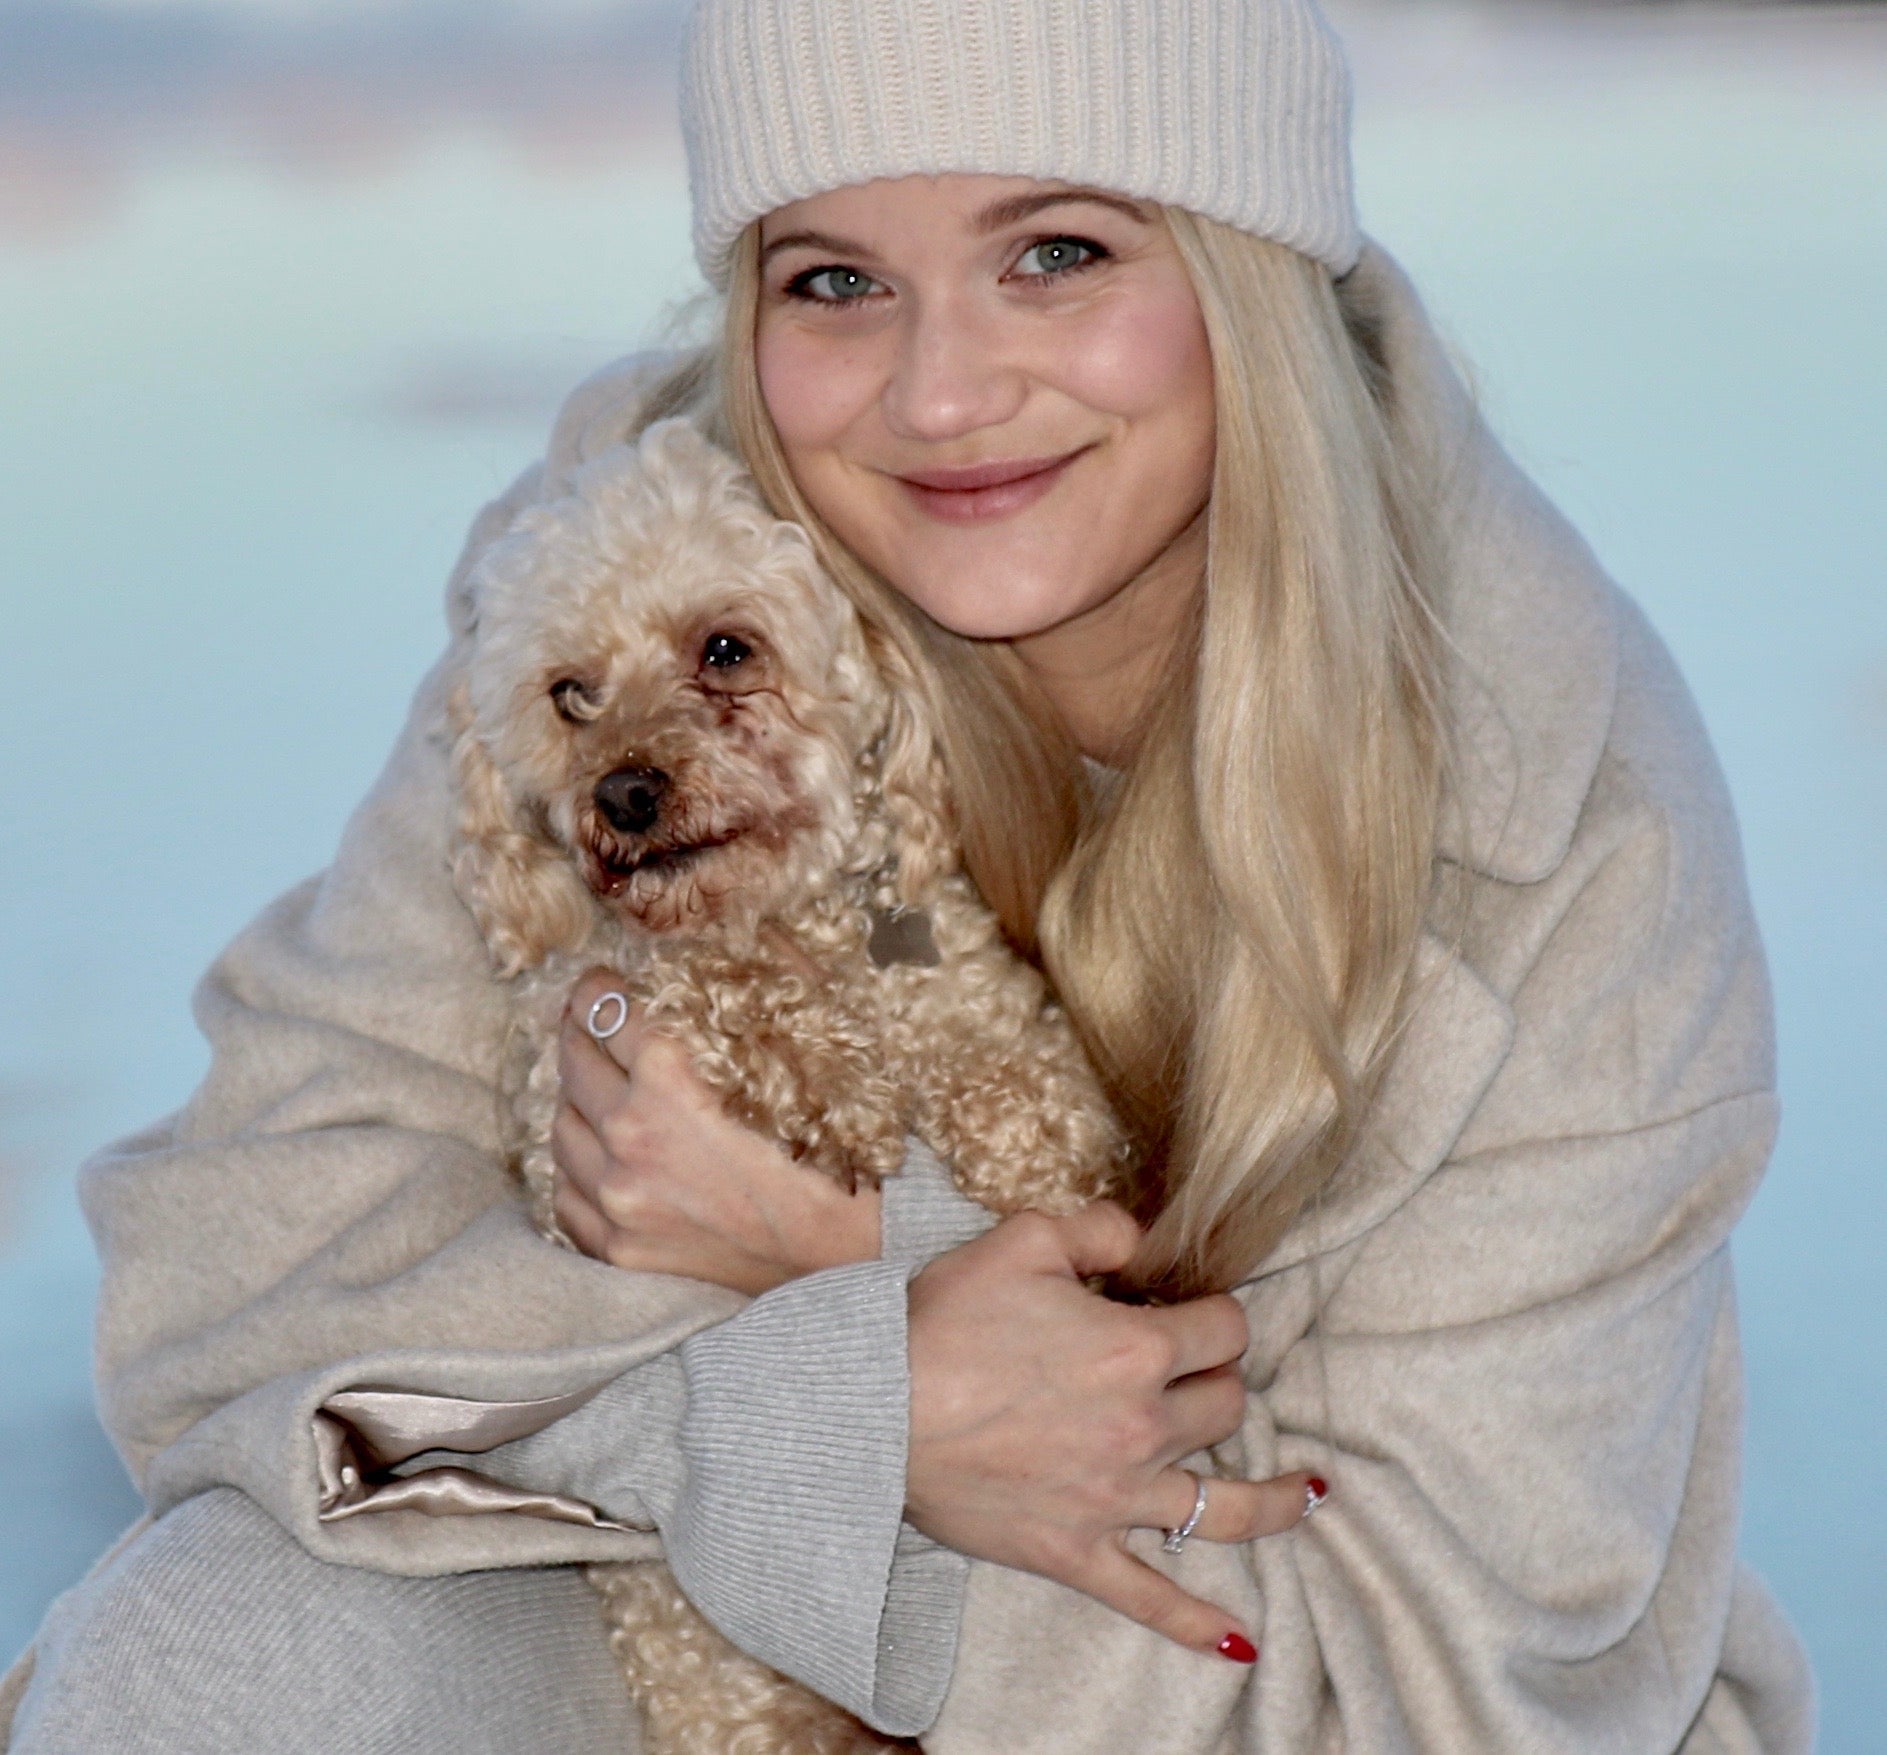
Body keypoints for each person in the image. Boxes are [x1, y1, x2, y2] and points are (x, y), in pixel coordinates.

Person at [3, 0, 1817, 1749]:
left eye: (1058, 252)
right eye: (836, 281)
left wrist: (829, 1261)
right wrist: (819, 1407)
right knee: (215, 1656)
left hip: (1213, 1707)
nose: (941, 397)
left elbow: (1434, 1707)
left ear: (1245, 267)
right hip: (671, 1643)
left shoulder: (1569, 820)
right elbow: (226, 1280)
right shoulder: (635, 560)